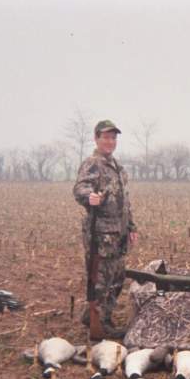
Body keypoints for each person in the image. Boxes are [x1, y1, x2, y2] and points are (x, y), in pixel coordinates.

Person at [73, 119, 138, 338]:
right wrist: (88, 197)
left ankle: (100, 316)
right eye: (106, 137)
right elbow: (80, 188)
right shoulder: (93, 163)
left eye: (113, 138)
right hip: (100, 236)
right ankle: (98, 322)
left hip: (118, 235)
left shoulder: (117, 167)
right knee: (100, 282)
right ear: (96, 139)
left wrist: (131, 226)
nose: (110, 142)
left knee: (117, 279)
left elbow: (125, 201)